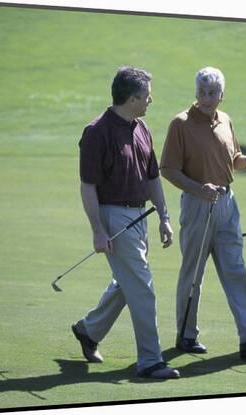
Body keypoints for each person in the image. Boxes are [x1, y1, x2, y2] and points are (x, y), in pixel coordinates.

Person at [160, 66, 246, 359]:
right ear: (196, 92)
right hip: (198, 204)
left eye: (212, 92)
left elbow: (232, 158)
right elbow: (168, 169)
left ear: (222, 95)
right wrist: (199, 189)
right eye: (202, 92)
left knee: (235, 268)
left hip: (227, 204)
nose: (206, 97)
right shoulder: (181, 124)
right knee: (193, 273)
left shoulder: (225, 120)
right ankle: (186, 335)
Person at [71, 66, 180, 379]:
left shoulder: (141, 127)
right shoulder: (97, 132)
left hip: (139, 217)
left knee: (127, 283)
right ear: (132, 99)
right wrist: (97, 231)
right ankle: (150, 360)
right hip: (113, 215)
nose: (151, 101)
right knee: (142, 287)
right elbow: (88, 186)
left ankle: (88, 331)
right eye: (146, 96)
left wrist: (164, 216)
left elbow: (152, 177)